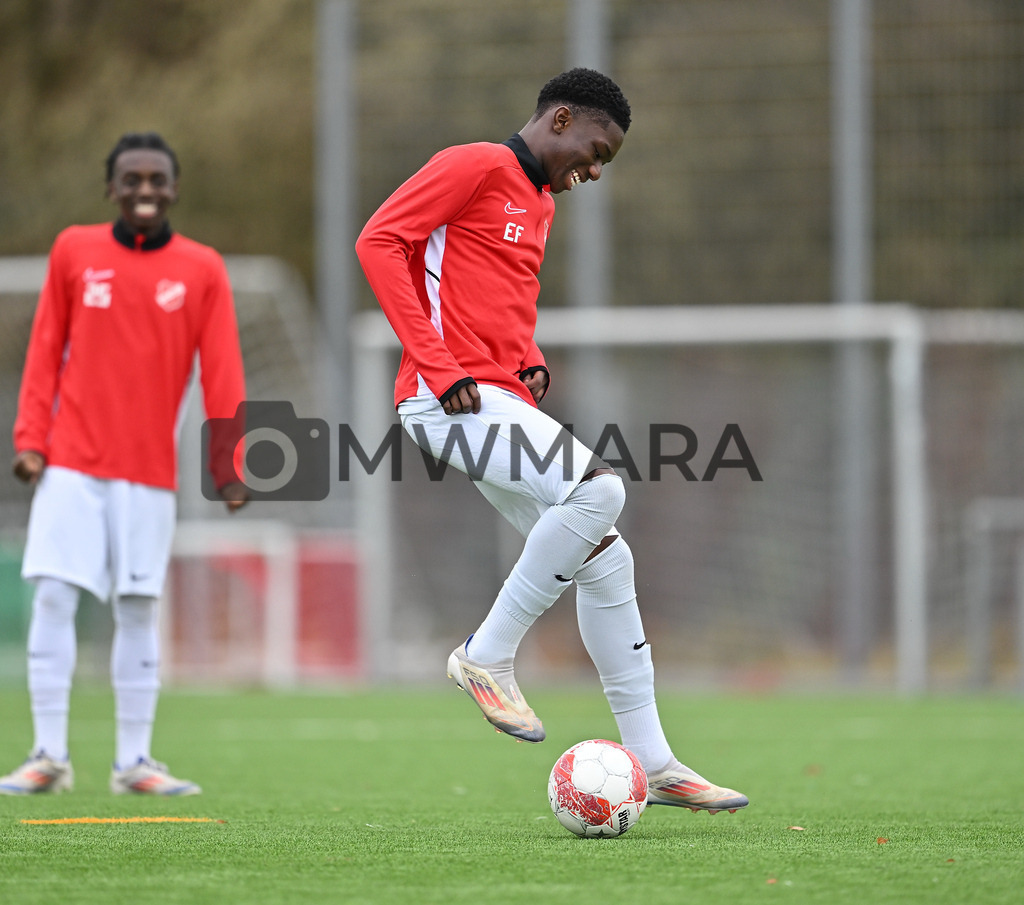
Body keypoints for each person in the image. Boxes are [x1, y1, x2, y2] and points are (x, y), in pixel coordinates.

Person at [355, 68, 748, 814]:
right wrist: (440, 365)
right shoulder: (473, 165)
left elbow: (491, 291)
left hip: (491, 394)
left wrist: (524, 354)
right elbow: (379, 242)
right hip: (442, 399)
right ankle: (485, 655)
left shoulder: (537, 200)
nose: (594, 171)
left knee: (607, 554)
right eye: (596, 150)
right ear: (561, 118)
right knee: (599, 488)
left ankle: (654, 760)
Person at [0, 132, 249, 796]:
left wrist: (230, 463)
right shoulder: (74, 250)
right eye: (132, 178)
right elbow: (45, 348)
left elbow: (223, 370)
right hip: (71, 462)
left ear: (174, 188)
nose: (145, 190)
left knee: (138, 606)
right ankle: (47, 754)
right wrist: (31, 437)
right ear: (110, 187)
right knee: (52, 595)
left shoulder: (201, 268)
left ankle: (133, 762)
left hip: (148, 473)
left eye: (158, 179)